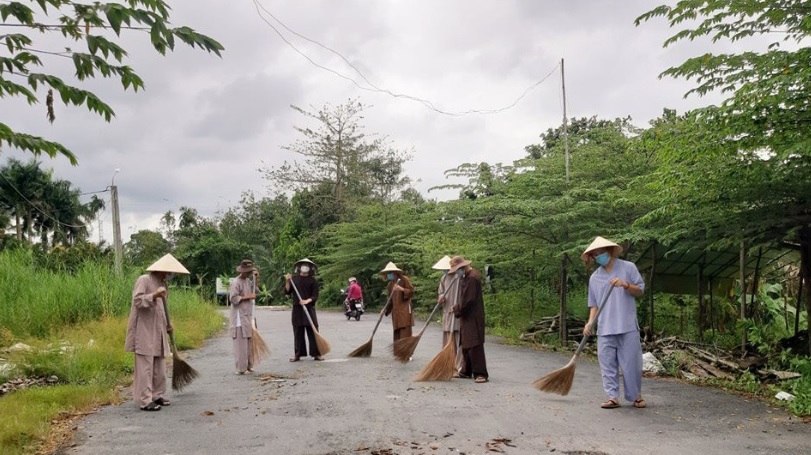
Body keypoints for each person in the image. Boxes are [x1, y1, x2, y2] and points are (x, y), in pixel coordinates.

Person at [581, 236, 646, 409]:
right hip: (605, 327)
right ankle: (612, 397)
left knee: (631, 364)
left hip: (627, 325)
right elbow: (594, 305)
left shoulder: (628, 268)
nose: (598, 257)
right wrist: (590, 323)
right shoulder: (595, 278)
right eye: (595, 256)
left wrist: (625, 285)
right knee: (607, 363)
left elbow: (640, 290)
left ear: (609, 252)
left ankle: (636, 396)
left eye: (601, 253)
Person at [125, 253, 189, 411]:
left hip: (158, 328)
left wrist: (168, 324)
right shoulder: (144, 280)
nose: (169, 275)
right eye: (168, 272)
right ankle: (145, 400)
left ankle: (157, 394)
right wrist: (154, 295)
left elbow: (162, 309)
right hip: (144, 329)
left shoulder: (163, 284)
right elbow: (137, 300)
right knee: (145, 366)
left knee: (159, 365)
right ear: (161, 270)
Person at [449, 256, 489, 383]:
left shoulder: (472, 278)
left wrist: (456, 308)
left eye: (457, 270)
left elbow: (469, 300)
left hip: (473, 315)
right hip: (467, 316)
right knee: (466, 342)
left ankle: (480, 373)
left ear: (463, 267)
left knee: (474, 343)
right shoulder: (466, 277)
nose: (457, 273)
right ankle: (466, 370)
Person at [285, 258, 322, 361]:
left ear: (310, 268)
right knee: (298, 332)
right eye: (303, 265)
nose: (304, 266)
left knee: (313, 330)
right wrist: (287, 281)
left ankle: (316, 354)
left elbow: (315, 296)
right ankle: (298, 354)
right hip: (297, 309)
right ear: (299, 267)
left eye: (307, 265)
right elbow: (288, 291)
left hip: (309, 308)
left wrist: (307, 301)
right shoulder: (294, 279)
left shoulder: (313, 280)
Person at [433, 255, 465, 375]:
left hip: (457, 313)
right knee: (447, 340)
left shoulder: (459, 278)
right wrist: (440, 298)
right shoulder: (443, 279)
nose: (445, 271)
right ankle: (448, 364)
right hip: (447, 313)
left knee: (458, 339)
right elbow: (440, 293)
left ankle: (458, 366)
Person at [229, 259, 258, 375]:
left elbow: (255, 291)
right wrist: (248, 297)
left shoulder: (248, 281)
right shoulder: (236, 282)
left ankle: (248, 366)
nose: (248, 273)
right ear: (242, 271)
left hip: (248, 315)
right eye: (247, 271)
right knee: (241, 343)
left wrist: (256, 278)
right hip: (239, 317)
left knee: (249, 341)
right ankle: (241, 368)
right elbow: (233, 299)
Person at [379, 262, 414, 342]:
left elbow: (411, 292)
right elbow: (389, 300)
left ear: (395, 272)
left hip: (404, 310)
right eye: (387, 273)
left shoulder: (404, 279)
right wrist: (384, 309)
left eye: (390, 273)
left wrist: (401, 289)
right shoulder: (390, 284)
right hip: (396, 311)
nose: (388, 275)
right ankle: (398, 351)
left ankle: (405, 352)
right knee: (397, 332)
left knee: (405, 331)